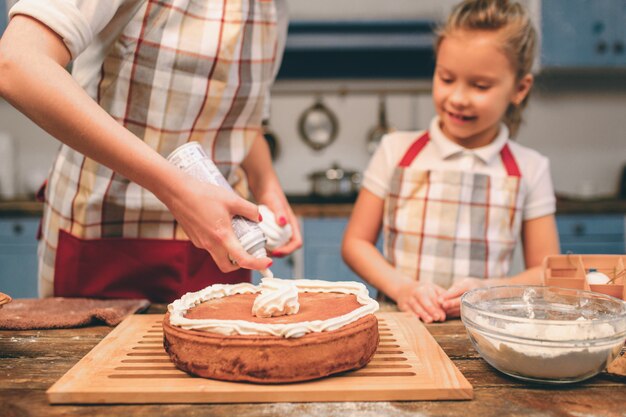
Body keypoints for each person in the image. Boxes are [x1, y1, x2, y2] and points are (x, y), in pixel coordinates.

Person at [0, 0, 301, 302]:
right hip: (105, 237)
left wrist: (266, 185)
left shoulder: (273, 7)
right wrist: (176, 190)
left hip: (221, 245)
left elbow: (241, 120)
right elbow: (17, 63)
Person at [342, 0, 559, 323]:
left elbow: (547, 271)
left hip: (483, 333)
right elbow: (355, 244)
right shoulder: (395, 150)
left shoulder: (530, 168)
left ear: (519, 88)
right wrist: (402, 288)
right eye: (446, 78)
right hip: (400, 324)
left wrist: (488, 290)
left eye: (480, 85)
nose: (457, 97)